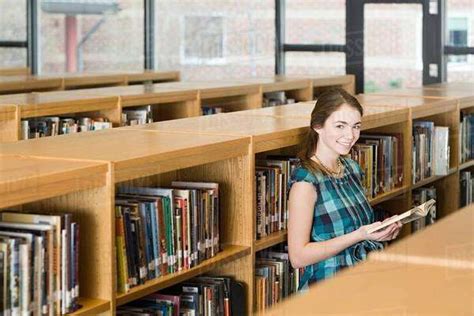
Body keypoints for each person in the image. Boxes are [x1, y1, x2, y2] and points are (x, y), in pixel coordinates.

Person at [287, 88, 402, 290]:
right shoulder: (306, 183)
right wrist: (360, 235)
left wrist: (381, 231)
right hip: (329, 287)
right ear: (318, 126)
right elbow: (298, 257)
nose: (350, 135)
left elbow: (358, 227)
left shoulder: (352, 168)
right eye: (340, 126)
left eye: (356, 126)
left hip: (364, 279)